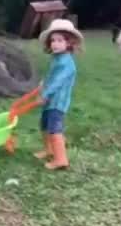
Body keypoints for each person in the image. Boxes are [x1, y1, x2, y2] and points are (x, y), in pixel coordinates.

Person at [33, 19, 83, 170]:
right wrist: (44, 83)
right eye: (53, 40)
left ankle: (61, 159)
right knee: (44, 125)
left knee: (55, 129)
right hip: (50, 101)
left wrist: (45, 94)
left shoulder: (67, 63)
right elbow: (52, 76)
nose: (55, 43)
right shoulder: (57, 58)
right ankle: (49, 150)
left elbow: (58, 82)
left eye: (60, 40)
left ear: (69, 43)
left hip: (57, 102)